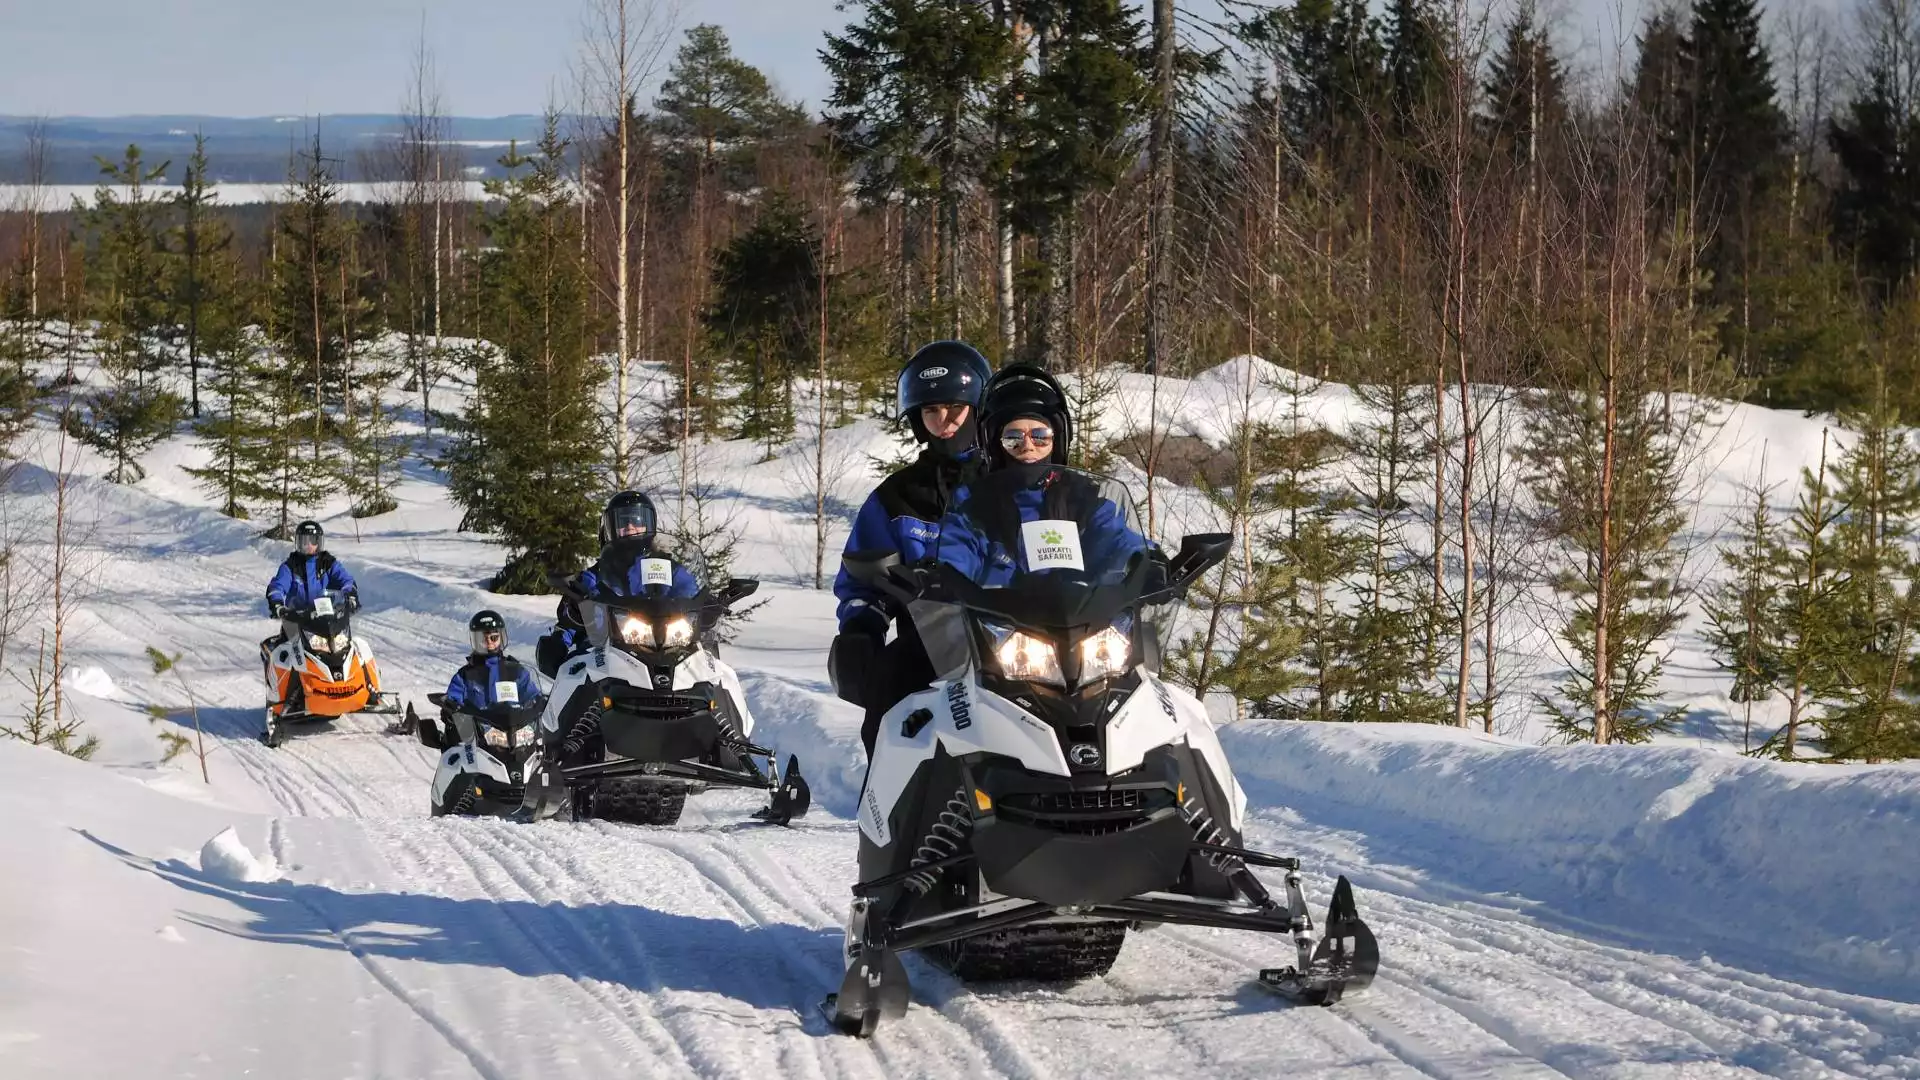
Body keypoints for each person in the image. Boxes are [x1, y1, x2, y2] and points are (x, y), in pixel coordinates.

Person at [830, 341, 993, 754]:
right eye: (931, 411)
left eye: (955, 408)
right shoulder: (896, 498)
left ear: (978, 408)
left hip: (1015, 643)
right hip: (931, 648)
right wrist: (861, 627)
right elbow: (863, 580)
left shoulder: (1012, 486)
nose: (945, 422)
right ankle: (891, 809)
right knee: (886, 702)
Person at [934, 364, 1153, 588]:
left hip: (1083, 617)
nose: (1028, 446)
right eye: (1013, 437)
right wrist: (942, 574)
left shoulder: (1083, 497)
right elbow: (957, 547)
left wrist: (1148, 562)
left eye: (1040, 436)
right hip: (999, 619)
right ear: (994, 444)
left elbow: (1116, 537)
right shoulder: (975, 503)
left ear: (1057, 440)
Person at [431, 610, 544, 747]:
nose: (489, 642)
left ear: (501, 638)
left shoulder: (515, 671)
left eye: (494, 638)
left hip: (515, 736)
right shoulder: (465, 675)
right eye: (483, 639)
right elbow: (454, 698)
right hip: (478, 740)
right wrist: (449, 709)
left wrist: (541, 704)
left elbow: (532, 696)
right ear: (475, 640)